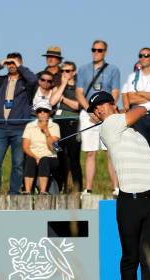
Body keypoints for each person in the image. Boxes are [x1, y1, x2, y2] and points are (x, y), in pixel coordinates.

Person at [87, 90, 150, 280]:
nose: (100, 109)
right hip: (130, 200)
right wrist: (130, 107)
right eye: (96, 109)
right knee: (131, 256)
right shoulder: (109, 126)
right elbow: (142, 110)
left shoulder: (128, 129)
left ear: (111, 105)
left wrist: (125, 111)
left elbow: (134, 117)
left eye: (103, 105)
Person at [0, 52, 37, 194]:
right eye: (9, 63)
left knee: (18, 164)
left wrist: (20, 67)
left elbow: (33, 80)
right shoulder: (1, 81)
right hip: (0, 128)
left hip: (19, 129)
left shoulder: (26, 82)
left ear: (20, 63)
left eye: (14, 63)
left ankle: (14, 194)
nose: (11, 65)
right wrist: (0, 65)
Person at [75, 40, 120, 196]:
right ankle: (88, 188)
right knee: (90, 152)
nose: (96, 52)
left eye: (100, 50)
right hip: (88, 113)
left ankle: (116, 187)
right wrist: (90, 111)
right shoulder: (83, 69)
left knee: (111, 151)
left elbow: (115, 92)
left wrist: (107, 112)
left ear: (105, 52)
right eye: (94, 49)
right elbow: (79, 92)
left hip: (107, 113)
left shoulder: (113, 70)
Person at [54, 61, 82, 193]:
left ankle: (78, 188)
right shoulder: (58, 86)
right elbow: (52, 101)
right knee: (58, 155)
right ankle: (60, 187)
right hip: (57, 124)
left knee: (73, 157)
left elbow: (77, 105)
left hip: (72, 123)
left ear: (74, 72)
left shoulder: (78, 87)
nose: (65, 73)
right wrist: (63, 84)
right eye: (63, 71)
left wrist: (64, 99)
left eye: (68, 71)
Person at [22, 100, 60, 194]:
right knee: (30, 160)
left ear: (50, 113)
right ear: (36, 113)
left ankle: (43, 192)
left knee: (44, 160)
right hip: (34, 156)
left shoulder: (55, 126)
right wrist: (35, 157)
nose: (42, 113)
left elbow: (53, 148)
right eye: (40, 111)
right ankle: (27, 191)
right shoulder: (30, 126)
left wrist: (46, 131)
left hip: (51, 158)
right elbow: (25, 147)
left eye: (45, 111)